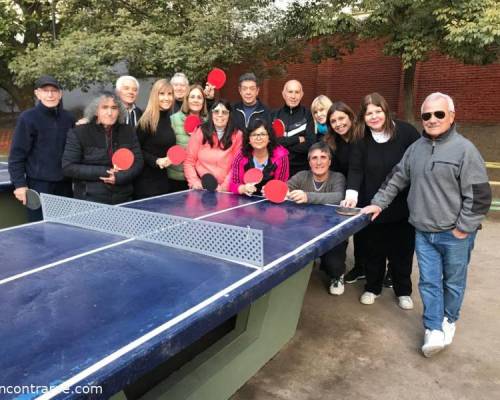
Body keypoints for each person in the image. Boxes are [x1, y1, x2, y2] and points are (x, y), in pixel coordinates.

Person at [362, 92, 491, 357]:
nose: (432, 120)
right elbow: (396, 179)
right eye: (427, 115)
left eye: (439, 114)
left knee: (453, 283)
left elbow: (479, 196)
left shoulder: (465, 150)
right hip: (423, 231)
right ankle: (433, 328)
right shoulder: (416, 149)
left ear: (452, 116)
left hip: (454, 234)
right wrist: (378, 202)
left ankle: (449, 320)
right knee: (429, 282)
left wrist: (463, 228)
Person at [343, 92, 420, 309]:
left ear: (386, 111)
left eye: (378, 111)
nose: (374, 117)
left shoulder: (406, 132)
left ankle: (403, 290)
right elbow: (356, 170)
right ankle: (372, 287)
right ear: (363, 117)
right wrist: (351, 196)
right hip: (372, 204)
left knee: (402, 252)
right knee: (373, 250)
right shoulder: (361, 138)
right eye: (369, 113)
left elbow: (419, 159)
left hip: (403, 206)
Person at [8, 75, 75, 221]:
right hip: (39, 186)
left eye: (54, 90)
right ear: (37, 93)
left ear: (60, 94)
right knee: (39, 232)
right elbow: (16, 156)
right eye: (45, 91)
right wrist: (19, 185)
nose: (50, 94)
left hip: (65, 186)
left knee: (65, 230)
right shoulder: (27, 118)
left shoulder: (69, 118)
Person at [62, 91, 143, 204]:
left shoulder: (128, 131)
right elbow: (68, 167)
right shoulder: (78, 133)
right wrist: (105, 172)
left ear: (119, 111)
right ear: (96, 111)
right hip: (90, 200)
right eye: (104, 107)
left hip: (123, 197)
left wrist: (120, 177)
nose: (110, 112)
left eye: (114, 108)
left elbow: (138, 162)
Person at [288, 142, 347, 295]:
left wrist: (307, 196)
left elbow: (339, 196)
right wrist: (279, 190)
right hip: (304, 227)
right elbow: (286, 187)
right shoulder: (302, 176)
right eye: (314, 158)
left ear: (330, 161)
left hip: (331, 229)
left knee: (333, 264)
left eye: (323, 157)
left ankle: (337, 275)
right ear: (309, 162)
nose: (319, 162)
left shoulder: (337, 177)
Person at [324, 101, 368, 285]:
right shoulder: (332, 142)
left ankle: (367, 269)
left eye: (341, 118)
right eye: (333, 121)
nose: (338, 123)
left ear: (350, 117)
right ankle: (354, 268)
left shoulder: (364, 136)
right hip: (347, 191)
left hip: (367, 187)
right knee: (352, 231)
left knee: (369, 234)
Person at [184, 99, 242, 191]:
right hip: (202, 187)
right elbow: (189, 161)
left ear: (229, 115)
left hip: (225, 189)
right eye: (216, 112)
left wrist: (224, 187)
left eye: (224, 112)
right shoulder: (200, 131)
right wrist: (195, 182)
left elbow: (236, 166)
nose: (220, 115)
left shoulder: (237, 135)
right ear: (211, 114)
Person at [134, 79, 176, 199]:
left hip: (162, 180)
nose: (166, 98)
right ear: (154, 96)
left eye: (169, 94)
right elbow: (136, 149)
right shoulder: (146, 121)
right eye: (161, 94)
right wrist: (156, 160)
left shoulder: (168, 118)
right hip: (145, 183)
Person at [229, 118, 288, 196]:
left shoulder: (281, 156)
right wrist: (244, 188)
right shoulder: (241, 156)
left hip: (270, 203)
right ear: (249, 140)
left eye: (263, 134)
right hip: (245, 200)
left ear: (269, 138)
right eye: (254, 134)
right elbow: (233, 185)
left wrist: (272, 191)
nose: (258, 138)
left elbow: (282, 185)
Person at [272, 80, 315, 177]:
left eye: (297, 92)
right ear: (284, 94)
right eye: (290, 92)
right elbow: (271, 142)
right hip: (276, 170)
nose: (293, 96)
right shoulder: (274, 115)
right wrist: (297, 139)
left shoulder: (308, 115)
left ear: (302, 94)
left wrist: (282, 144)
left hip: (301, 172)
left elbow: (310, 144)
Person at [169, 84, 208, 192]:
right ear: (186, 99)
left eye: (199, 97)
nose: (195, 100)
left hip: (201, 179)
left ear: (203, 102)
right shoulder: (173, 119)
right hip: (177, 179)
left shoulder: (209, 122)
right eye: (192, 97)